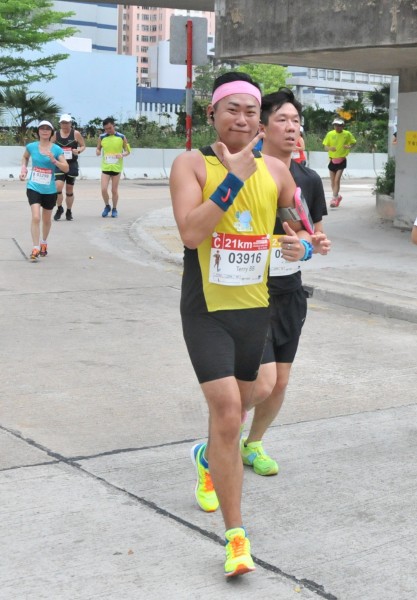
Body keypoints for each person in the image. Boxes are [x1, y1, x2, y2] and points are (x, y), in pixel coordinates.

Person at [170, 72, 308, 577]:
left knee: (255, 393)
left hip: (255, 309)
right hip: (206, 311)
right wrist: (232, 178)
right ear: (213, 114)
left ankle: (209, 456)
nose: (243, 119)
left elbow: (296, 231)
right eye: (233, 109)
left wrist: (300, 247)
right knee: (229, 413)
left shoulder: (276, 171)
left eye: (251, 111)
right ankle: (236, 539)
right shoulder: (191, 164)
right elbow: (191, 234)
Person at [240, 89, 331, 476]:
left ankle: (252, 444)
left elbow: (313, 234)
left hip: (289, 292)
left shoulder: (308, 179)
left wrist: (310, 248)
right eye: (283, 120)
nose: (292, 128)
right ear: (262, 127)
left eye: (296, 121)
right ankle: (219, 440)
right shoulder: (246, 171)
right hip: (250, 290)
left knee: (279, 383)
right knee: (259, 383)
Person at [19, 120, 69, 261]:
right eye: (42, 128)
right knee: (36, 217)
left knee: (46, 220)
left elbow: (66, 168)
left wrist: (54, 161)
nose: (45, 131)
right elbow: (25, 157)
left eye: (48, 129)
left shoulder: (56, 149)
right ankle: (35, 248)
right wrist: (23, 170)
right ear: (38, 131)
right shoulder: (31, 147)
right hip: (33, 187)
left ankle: (43, 243)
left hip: (50, 190)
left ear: (51, 132)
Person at [52, 114, 86, 221]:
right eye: (63, 123)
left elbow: (83, 145)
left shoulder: (76, 134)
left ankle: (69, 211)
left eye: (66, 123)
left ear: (70, 123)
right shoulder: (56, 134)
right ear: (60, 123)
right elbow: (50, 145)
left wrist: (78, 151)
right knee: (58, 187)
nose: (64, 125)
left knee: (69, 189)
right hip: (60, 164)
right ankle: (59, 208)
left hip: (72, 164)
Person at [96, 117, 130, 218]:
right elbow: (98, 148)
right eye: (106, 129)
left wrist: (122, 154)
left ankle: (114, 208)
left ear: (113, 125)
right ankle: (107, 206)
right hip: (106, 167)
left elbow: (128, 151)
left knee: (114, 190)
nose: (108, 130)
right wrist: (98, 152)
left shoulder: (122, 137)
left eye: (110, 128)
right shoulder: (101, 137)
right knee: (103, 189)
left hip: (116, 167)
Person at [322, 117, 356, 207]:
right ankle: (337, 196)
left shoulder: (347, 134)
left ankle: (334, 198)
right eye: (335, 125)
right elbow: (325, 146)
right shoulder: (330, 134)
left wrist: (349, 146)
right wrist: (330, 148)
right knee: (332, 181)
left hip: (342, 160)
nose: (337, 127)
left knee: (337, 180)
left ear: (343, 126)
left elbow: (354, 142)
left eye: (339, 125)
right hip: (332, 160)